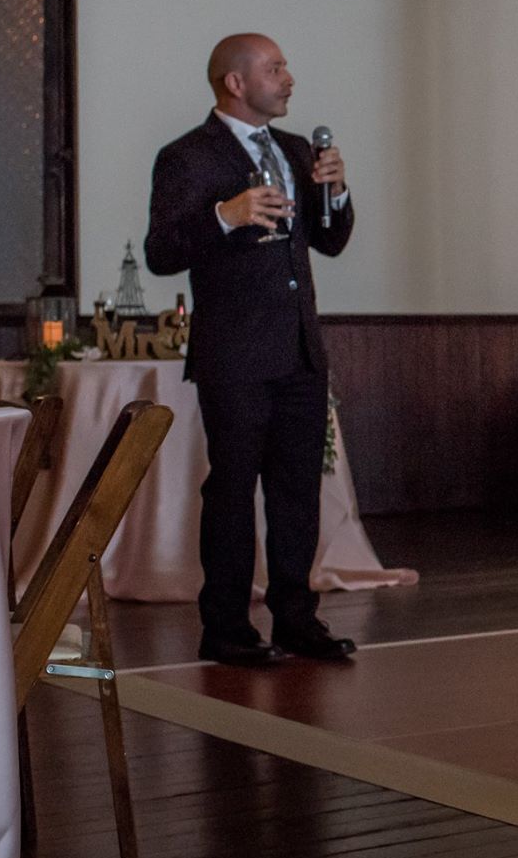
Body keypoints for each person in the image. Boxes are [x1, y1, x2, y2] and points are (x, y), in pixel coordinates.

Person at [144, 33, 358, 668]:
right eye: (274, 68)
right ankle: (228, 628)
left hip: (299, 350)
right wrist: (225, 215)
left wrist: (336, 193)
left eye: (286, 66)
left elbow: (330, 240)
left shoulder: (296, 150)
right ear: (235, 83)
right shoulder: (187, 156)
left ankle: (296, 619)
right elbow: (160, 252)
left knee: (297, 489)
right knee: (234, 489)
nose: (289, 78)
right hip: (234, 354)